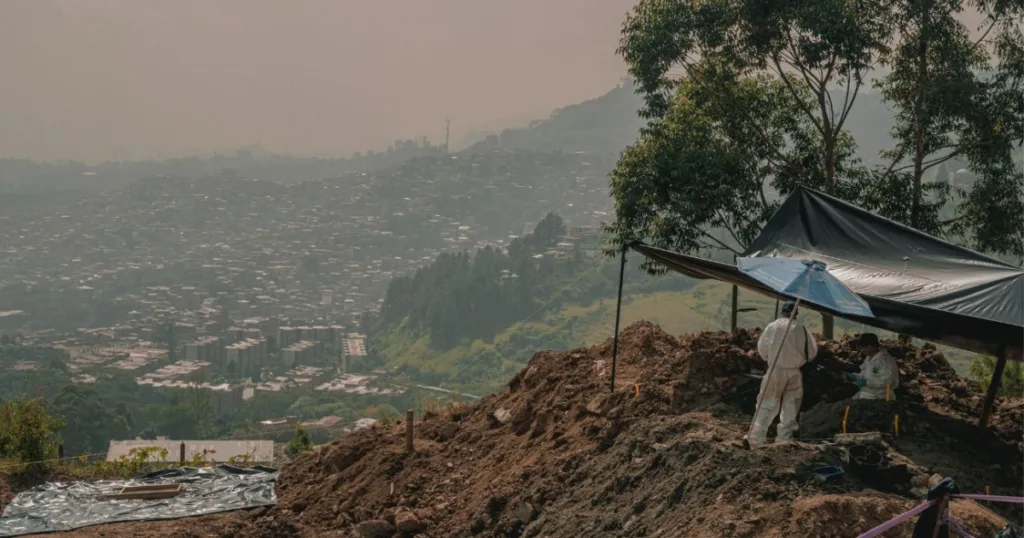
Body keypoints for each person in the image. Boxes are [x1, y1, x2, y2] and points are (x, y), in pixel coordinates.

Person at [747, 301, 818, 445]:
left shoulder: (772, 327)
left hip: (775, 370)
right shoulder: (802, 329)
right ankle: (784, 439)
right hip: (794, 373)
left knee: (767, 402)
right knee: (791, 406)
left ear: (782, 312)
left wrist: (770, 358)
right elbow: (812, 353)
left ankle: (757, 437)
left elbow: (762, 350)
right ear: (796, 313)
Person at [847, 333, 900, 400]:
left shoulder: (885, 360)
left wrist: (866, 382)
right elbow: (865, 375)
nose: (862, 351)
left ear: (870, 346)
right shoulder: (869, 358)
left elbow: (888, 382)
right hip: (868, 395)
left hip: (882, 397)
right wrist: (855, 377)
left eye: (862, 348)